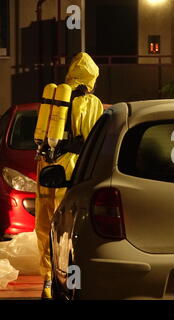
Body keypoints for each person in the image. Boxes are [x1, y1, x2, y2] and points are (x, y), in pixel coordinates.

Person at [35, 52, 104, 299]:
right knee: (69, 228)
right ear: (91, 78)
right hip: (71, 168)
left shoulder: (54, 100)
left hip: (45, 167)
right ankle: (71, 283)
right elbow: (93, 138)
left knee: (44, 226)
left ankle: (46, 281)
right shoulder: (90, 102)